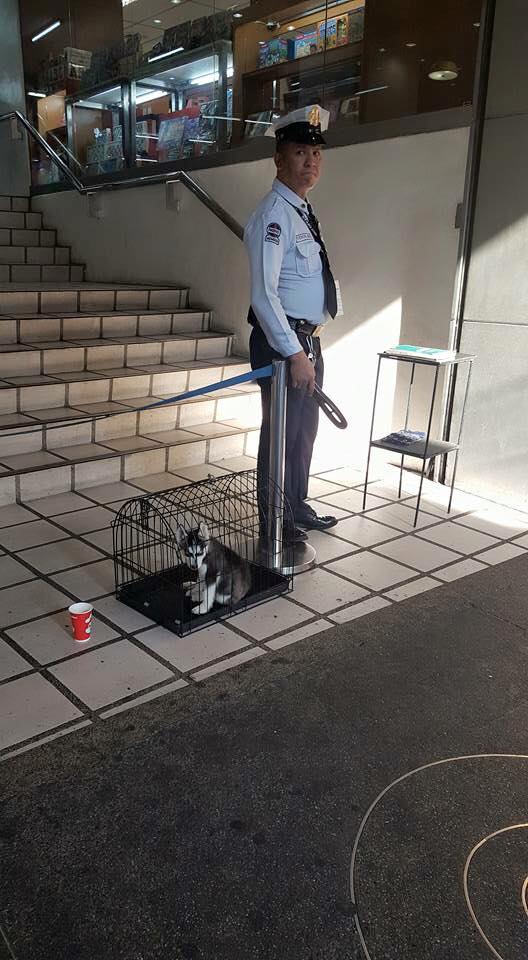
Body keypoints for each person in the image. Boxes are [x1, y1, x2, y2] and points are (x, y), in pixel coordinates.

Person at [244, 105, 338, 536]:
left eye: (316, 154)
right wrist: (296, 354)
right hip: (284, 346)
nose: (311, 162)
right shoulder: (273, 216)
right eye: (301, 152)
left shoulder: (301, 209)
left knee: (304, 433)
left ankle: (295, 506)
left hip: (306, 342)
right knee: (280, 435)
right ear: (279, 160)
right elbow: (264, 297)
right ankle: (273, 522)